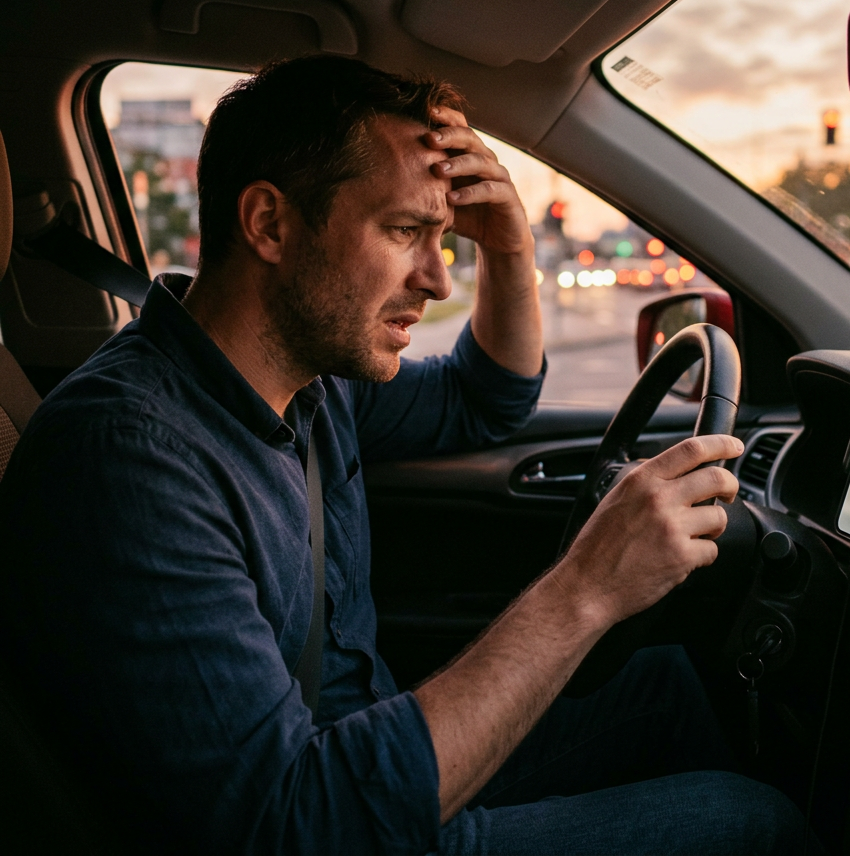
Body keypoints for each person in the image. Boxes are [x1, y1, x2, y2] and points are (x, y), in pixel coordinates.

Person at [0, 56, 806, 854]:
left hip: (360, 759)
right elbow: (294, 825)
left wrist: (510, 248)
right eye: (404, 231)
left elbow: (486, 399)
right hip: (329, 817)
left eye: (443, 238)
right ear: (270, 224)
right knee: (755, 826)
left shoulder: (311, 379)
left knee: (662, 686)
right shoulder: (131, 462)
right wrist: (588, 588)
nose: (437, 280)